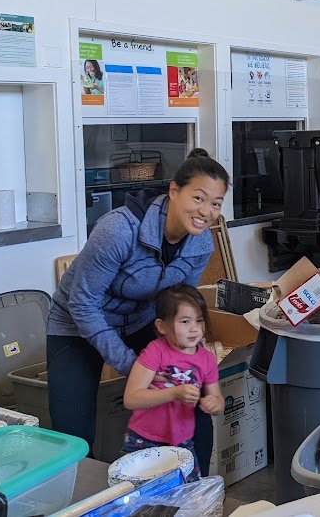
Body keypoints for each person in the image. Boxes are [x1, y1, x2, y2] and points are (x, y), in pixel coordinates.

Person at [47, 148, 228, 472]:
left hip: (143, 320)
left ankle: (197, 494)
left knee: (192, 400)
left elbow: (178, 304)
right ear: (174, 190)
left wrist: (191, 358)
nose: (206, 211)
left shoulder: (201, 244)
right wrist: (136, 365)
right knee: (73, 432)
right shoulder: (119, 230)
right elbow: (83, 303)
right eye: (198, 198)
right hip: (75, 322)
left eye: (215, 203)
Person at [121, 285, 223, 480]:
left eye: (199, 321)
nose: (194, 328)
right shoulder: (155, 351)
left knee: (189, 497)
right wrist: (174, 393)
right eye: (185, 321)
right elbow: (131, 398)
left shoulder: (206, 359)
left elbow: (217, 398)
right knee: (140, 500)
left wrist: (214, 404)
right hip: (143, 440)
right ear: (162, 326)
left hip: (183, 442)